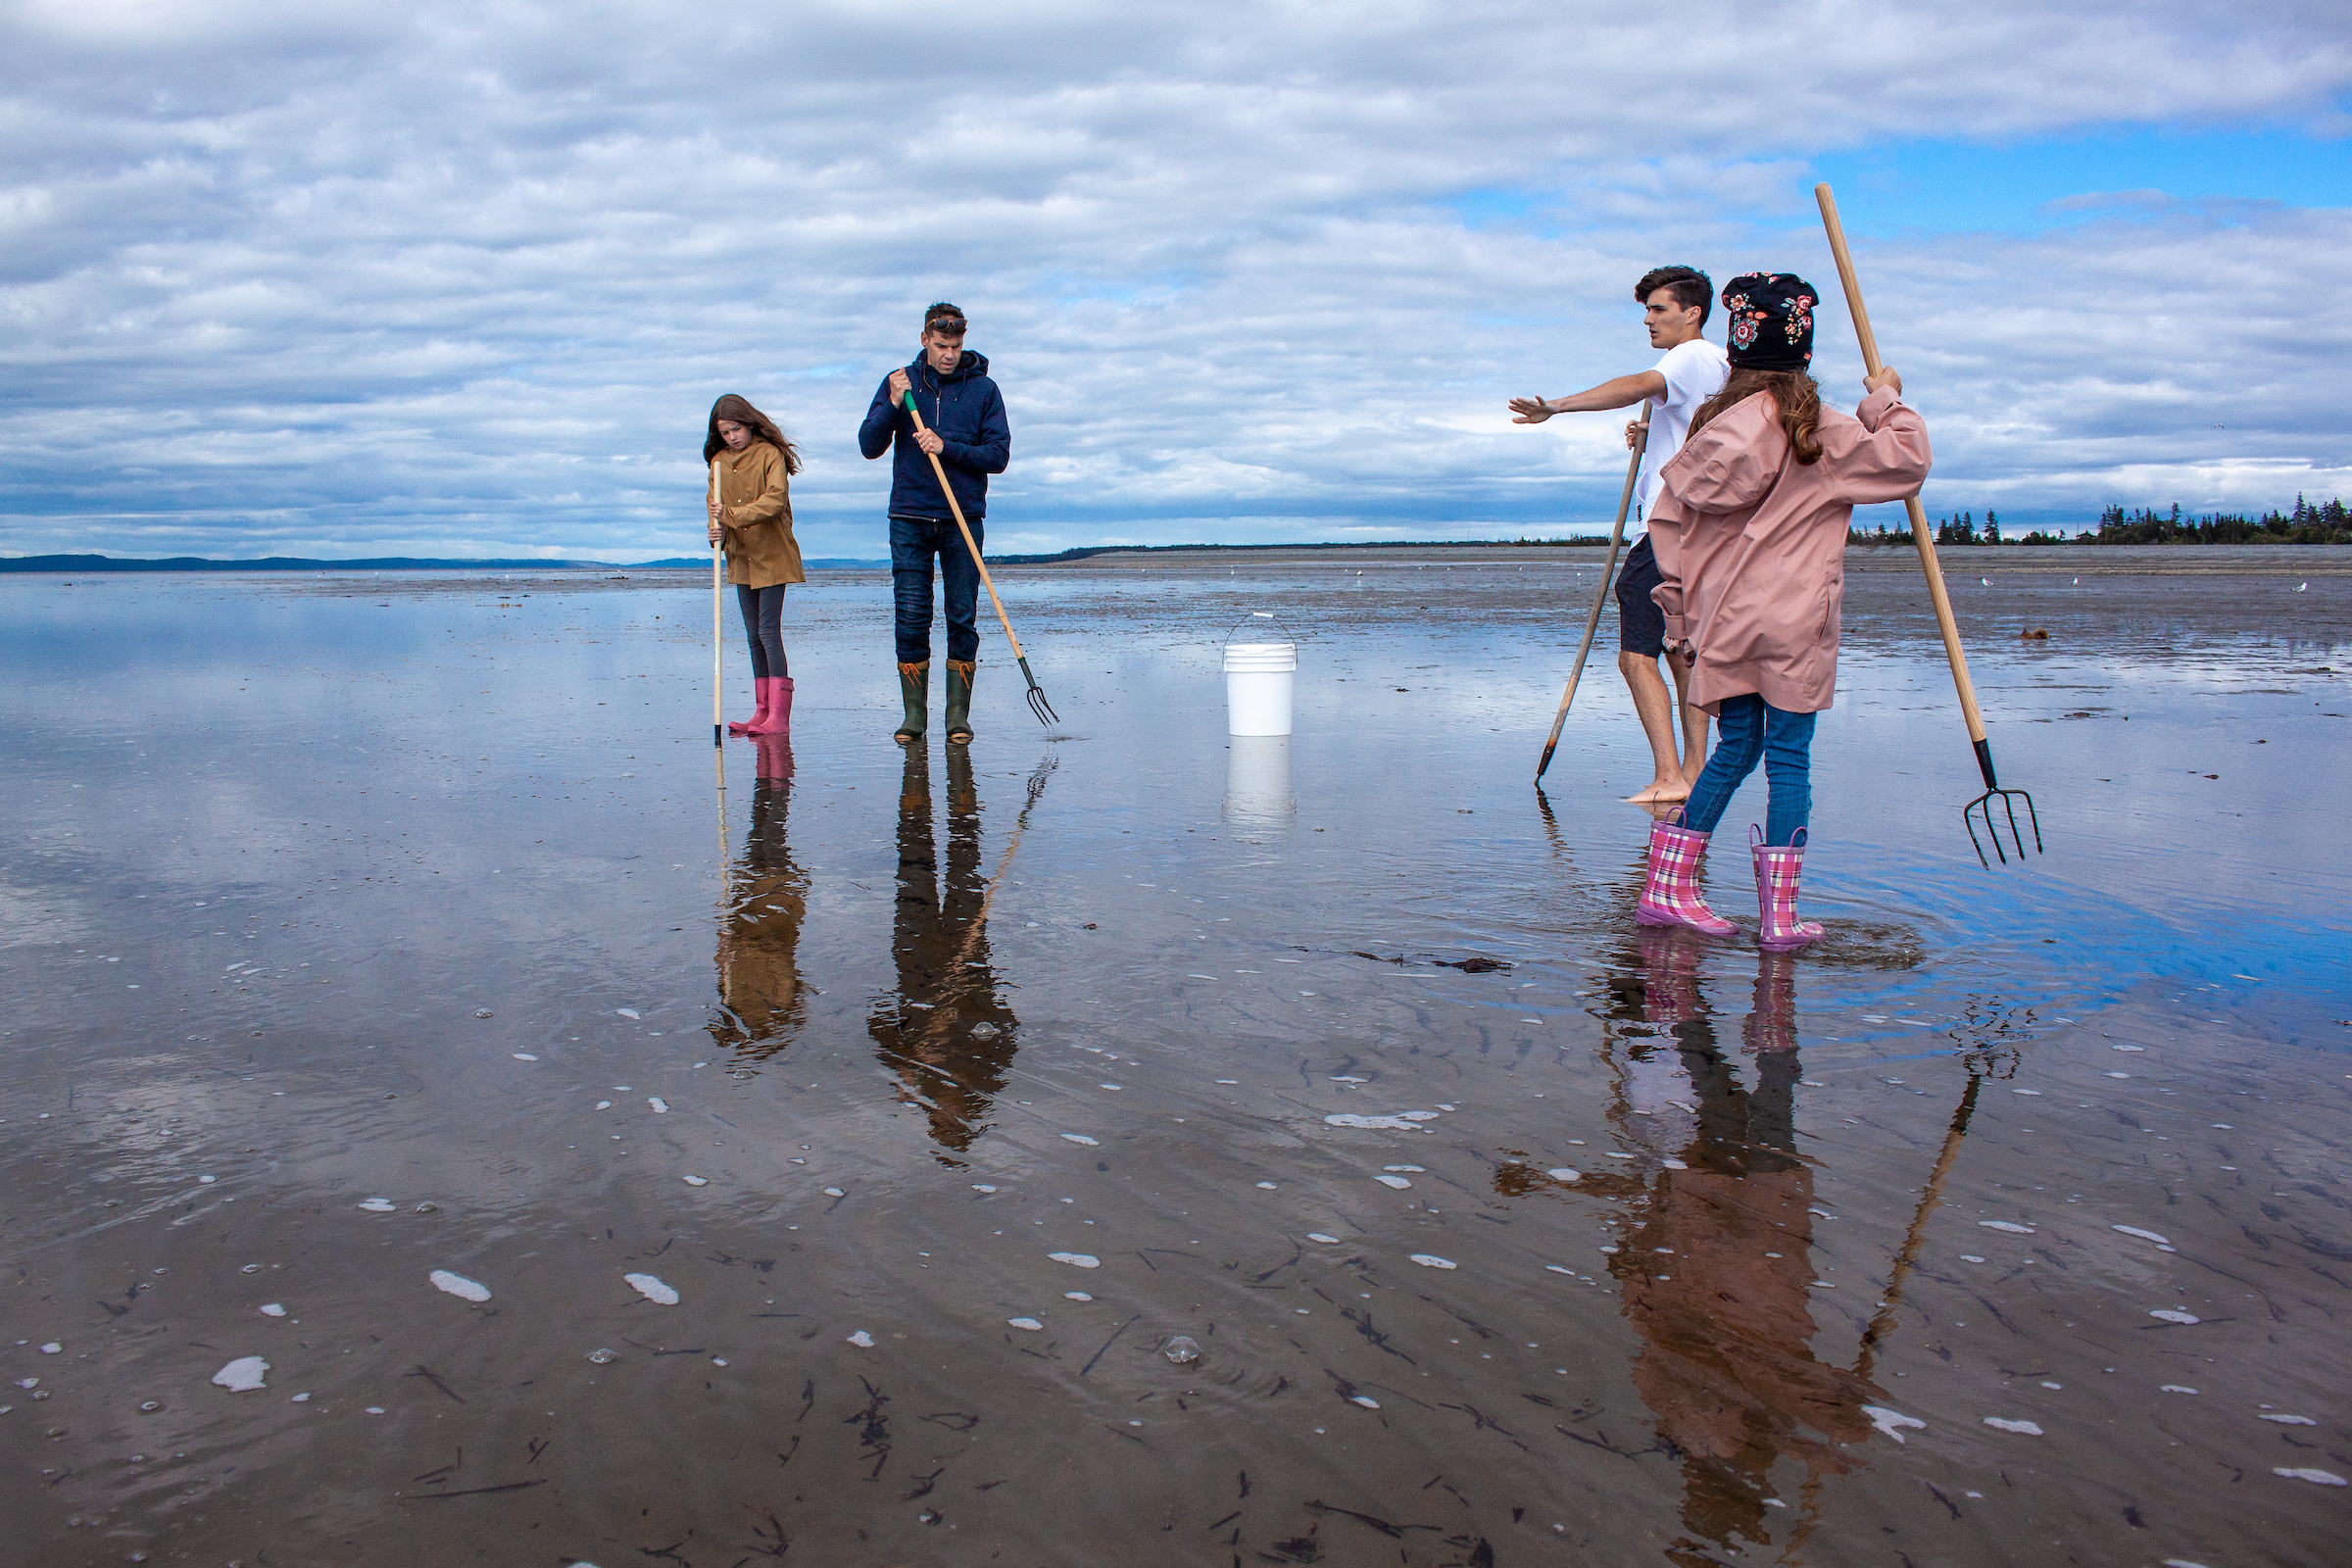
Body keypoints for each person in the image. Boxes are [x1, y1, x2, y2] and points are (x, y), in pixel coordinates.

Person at [1634, 272, 1931, 949]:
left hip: (1724, 620)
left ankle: (1667, 888)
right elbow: (1908, 461)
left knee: (1738, 745)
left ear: (1736, 350)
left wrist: (1678, 618)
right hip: (1794, 621)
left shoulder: (1710, 433)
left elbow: (1667, 524)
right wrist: (1885, 399)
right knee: (1788, 757)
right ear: (1803, 352)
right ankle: (1780, 918)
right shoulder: (1821, 432)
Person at [1512, 266, 1729, 803]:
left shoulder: (1689, 357)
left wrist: (1557, 406)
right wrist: (1652, 434)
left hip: (1665, 526)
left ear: (1693, 312)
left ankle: (1669, 775)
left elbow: (1636, 385)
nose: (1648, 320)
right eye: (1646, 310)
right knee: (1681, 649)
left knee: (1636, 655)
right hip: (1700, 527)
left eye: (1658, 309)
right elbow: (1697, 432)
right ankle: (1694, 772)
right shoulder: (1721, 364)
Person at [858, 303, 1011, 745]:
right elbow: (868, 445)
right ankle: (914, 718)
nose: (949, 354)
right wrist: (892, 404)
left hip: (963, 518)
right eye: (942, 345)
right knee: (911, 616)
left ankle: (957, 718)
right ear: (925, 339)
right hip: (909, 516)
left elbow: (998, 456)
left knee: (962, 616)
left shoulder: (984, 390)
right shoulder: (901, 383)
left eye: (956, 346)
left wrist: (947, 447)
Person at [704, 394, 807, 737]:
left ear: (749, 424)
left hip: (772, 554)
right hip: (741, 557)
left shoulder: (769, 454)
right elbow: (715, 511)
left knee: (767, 632)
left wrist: (730, 516)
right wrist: (715, 532)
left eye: (736, 429)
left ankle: (779, 716)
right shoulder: (718, 463)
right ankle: (762, 711)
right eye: (724, 432)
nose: (732, 437)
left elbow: (774, 501)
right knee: (752, 636)